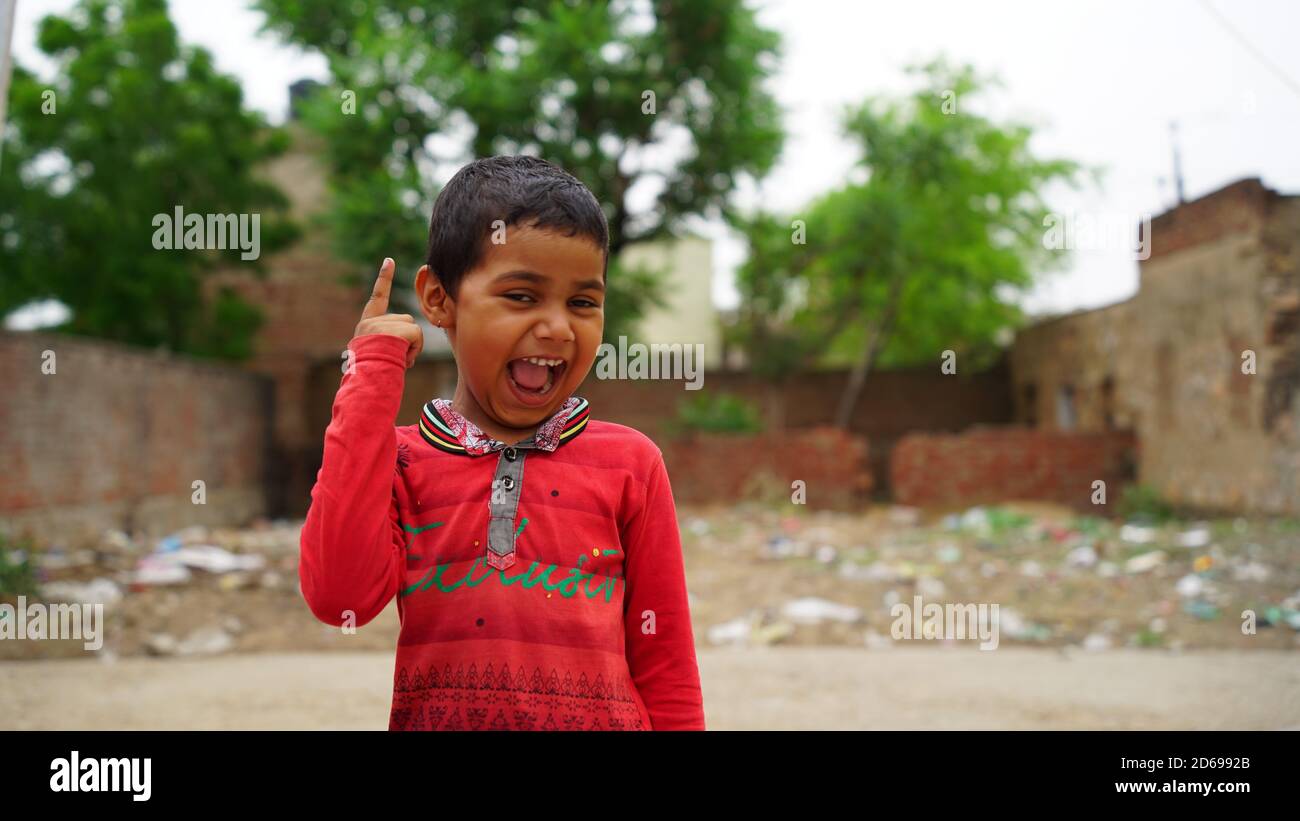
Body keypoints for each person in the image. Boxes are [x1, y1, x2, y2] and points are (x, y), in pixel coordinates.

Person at [299, 155, 706, 730]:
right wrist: (370, 380)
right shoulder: (400, 463)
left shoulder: (631, 464)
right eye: (521, 296)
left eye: (583, 303)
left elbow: (665, 661)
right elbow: (340, 598)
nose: (559, 327)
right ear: (439, 300)